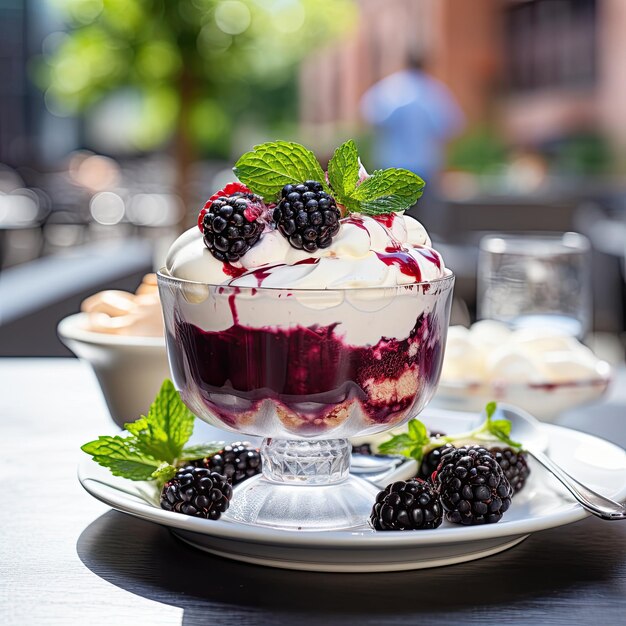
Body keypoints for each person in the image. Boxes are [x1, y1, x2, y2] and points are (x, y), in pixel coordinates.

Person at [360, 53, 465, 188]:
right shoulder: (435, 91)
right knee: (425, 208)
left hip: (391, 166)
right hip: (425, 166)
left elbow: (370, 117)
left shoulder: (389, 88)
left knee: (390, 208)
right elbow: (453, 125)